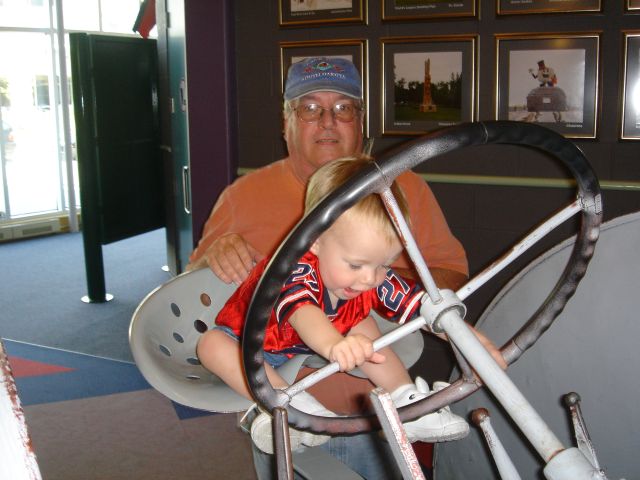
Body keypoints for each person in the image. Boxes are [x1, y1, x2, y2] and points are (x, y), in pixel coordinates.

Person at [188, 56, 469, 478]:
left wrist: (369, 279)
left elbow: (449, 277)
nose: (327, 122)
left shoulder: (402, 190)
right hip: (275, 408)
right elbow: (193, 294)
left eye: (343, 109)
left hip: (367, 410)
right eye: (310, 109)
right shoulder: (242, 195)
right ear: (286, 125)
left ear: (362, 124)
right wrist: (216, 255)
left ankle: (409, 402)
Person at [197, 157, 504, 456]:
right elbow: (302, 312)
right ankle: (287, 407)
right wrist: (334, 345)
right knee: (210, 344)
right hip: (248, 339)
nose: (370, 278)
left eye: (384, 264)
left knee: (363, 321)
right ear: (314, 241)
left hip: (299, 345)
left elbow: (421, 307)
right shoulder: (293, 268)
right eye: (356, 264)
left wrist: (470, 340)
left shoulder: (369, 275)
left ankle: (405, 400)